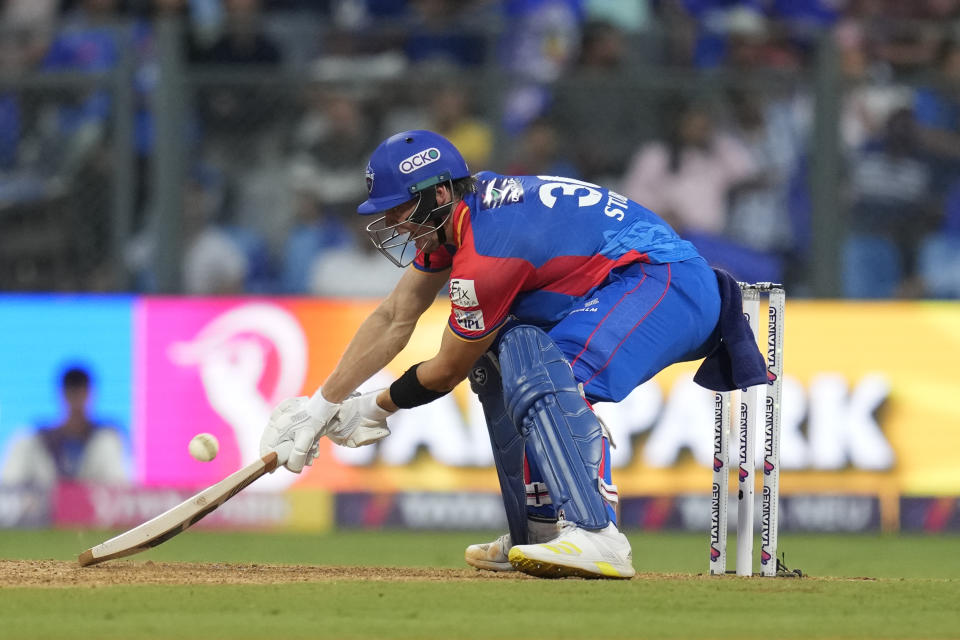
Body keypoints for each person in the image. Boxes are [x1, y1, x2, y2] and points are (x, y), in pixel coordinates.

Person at [259, 130, 768, 579]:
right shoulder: (461, 218)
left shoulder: (491, 248)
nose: (395, 225)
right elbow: (395, 316)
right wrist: (321, 408)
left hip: (665, 282)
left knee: (545, 364)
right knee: (504, 355)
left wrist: (369, 408)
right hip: (634, 283)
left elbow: (446, 369)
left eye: (399, 211)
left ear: (438, 193)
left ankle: (598, 535)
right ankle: (540, 535)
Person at [1, 366, 129, 487]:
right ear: (63, 394)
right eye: (72, 393)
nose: (77, 400)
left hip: (92, 509)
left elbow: (119, 489)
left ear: (90, 394)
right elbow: (8, 487)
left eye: (82, 393)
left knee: (108, 443)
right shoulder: (33, 441)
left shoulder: (106, 441)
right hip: (44, 509)